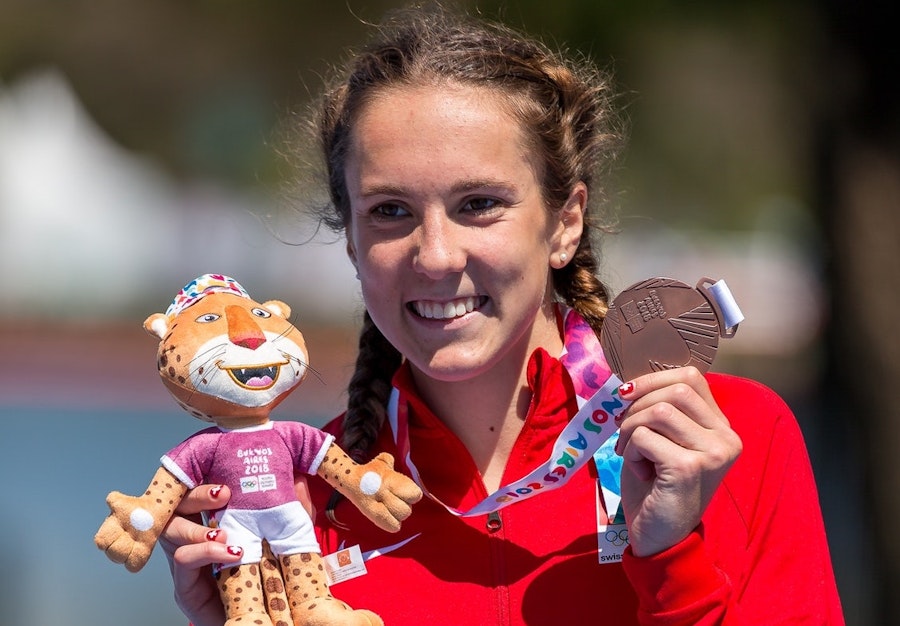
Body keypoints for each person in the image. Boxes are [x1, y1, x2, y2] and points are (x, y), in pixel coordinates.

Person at [161, 4, 844, 624]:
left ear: (565, 223)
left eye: (479, 204)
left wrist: (672, 560)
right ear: (353, 244)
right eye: (390, 211)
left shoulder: (724, 439)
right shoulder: (298, 498)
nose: (435, 255)